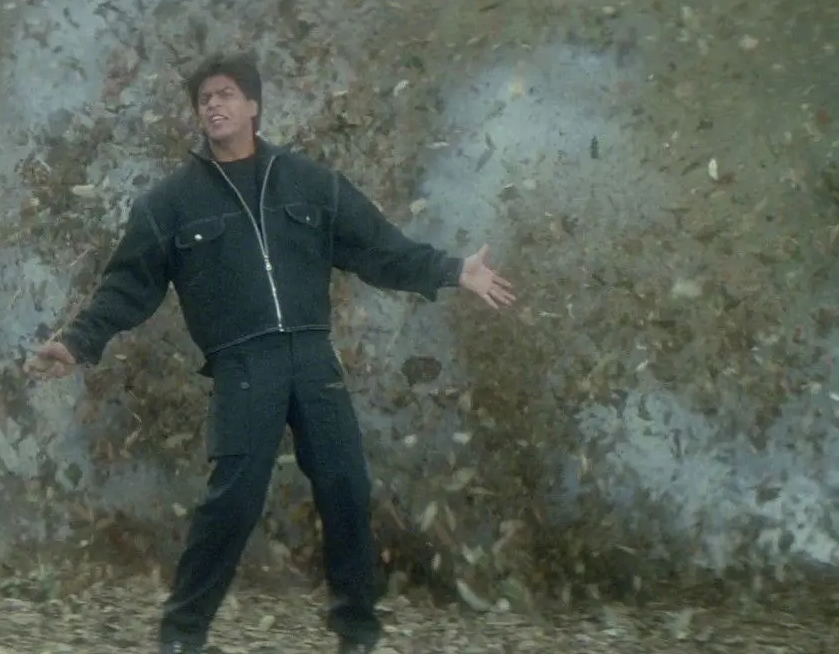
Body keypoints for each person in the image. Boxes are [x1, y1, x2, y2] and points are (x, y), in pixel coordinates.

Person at [29, 52, 516, 654]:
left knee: (346, 487)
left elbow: (380, 249)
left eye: (226, 93)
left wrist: (453, 270)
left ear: (253, 105)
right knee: (234, 500)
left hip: (313, 359)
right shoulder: (170, 203)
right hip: (243, 366)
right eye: (204, 98)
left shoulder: (310, 182)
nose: (213, 104)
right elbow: (128, 286)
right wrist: (77, 342)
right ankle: (181, 637)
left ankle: (357, 634)